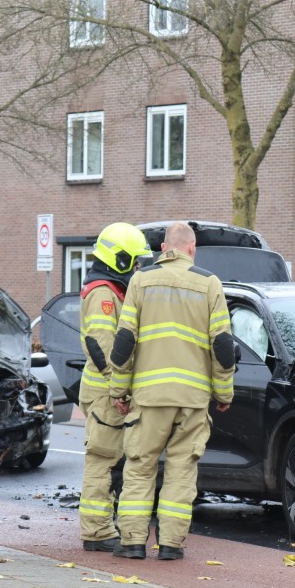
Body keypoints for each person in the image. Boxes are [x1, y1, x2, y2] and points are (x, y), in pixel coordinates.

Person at [108, 221, 235, 561]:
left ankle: (133, 543)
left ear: (164, 249)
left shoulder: (140, 281)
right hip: (192, 401)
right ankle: (171, 545)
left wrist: (119, 390)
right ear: (192, 250)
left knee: (139, 467)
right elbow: (223, 346)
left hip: (149, 399)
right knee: (181, 471)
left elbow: (124, 343)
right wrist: (223, 394)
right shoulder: (210, 284)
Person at [77, 222, 152, 553]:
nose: (137, 269)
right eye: (134, 262)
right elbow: (100, 344)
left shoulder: (111, 291)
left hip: (111, 391)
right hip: (107, 394)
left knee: (113, 462)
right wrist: (118, 389)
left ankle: (104, 526)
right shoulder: (103, 294)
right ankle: (95, 532)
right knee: (102, 461)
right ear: (120, 260)